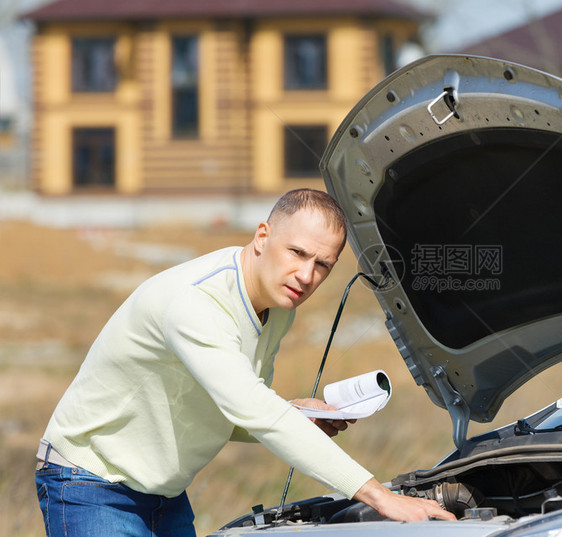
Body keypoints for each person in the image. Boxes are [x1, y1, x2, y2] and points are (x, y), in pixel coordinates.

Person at [34, 189, 454, 536]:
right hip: (90, 484)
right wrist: (381, 497)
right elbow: (253, 408)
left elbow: (231, 410)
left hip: (165, 496)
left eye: (322, 264)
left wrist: (299, 414)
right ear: (262, 236)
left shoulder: (278, 305)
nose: (306, 275)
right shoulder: (199, 303)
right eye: (297, 252)